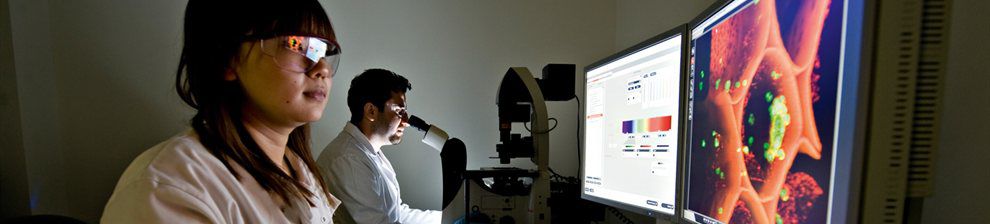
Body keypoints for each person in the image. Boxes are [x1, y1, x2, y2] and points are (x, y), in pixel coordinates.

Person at [101, 0, 343, 223]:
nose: (322, 67)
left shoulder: (299, 169)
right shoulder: (170, 188)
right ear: (227, 59)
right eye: (297, 44)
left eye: (324, 50)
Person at [317, 69, 441, 223]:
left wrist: (446, 218)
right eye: (400, 111)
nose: (406, 121)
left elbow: (397, 214)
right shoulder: (348, 159)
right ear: (371, 111)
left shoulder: (368, 153)